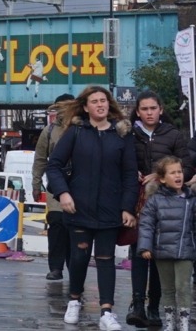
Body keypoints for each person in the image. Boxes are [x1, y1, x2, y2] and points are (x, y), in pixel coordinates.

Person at [47, 85, 138, 331]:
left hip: (110, 209)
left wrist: (127, 207)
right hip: (78, 209)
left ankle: (107, 312)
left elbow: (130, 175)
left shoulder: (122, 135)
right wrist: (63, 193)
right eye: (95, 101)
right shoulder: (76, 132)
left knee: (106, 259)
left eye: (104, 101)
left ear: (109, 105)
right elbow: (53, 165)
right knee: (79, 257)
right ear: (86, 107)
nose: (100, 105)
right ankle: (74, 300)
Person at [128, 91, 190, 327]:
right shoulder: (129, 135)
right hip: (137, 201)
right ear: (138, 111)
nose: (149, 112)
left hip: (166, 204)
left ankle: (154, 306)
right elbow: (120, 160)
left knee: (157, 256)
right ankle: (137, 304)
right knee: (138, 251)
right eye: (144, 109)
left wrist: (161, 174)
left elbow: (186, 165)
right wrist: (130, 171)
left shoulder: (173, 135)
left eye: (153, 108)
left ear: (160, 110)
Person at [137, 156, 196, 331]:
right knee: (167, 288)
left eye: (180, 172)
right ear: (162, 178)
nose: (178, 175)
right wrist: (145, 246)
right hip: (162, 251)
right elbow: (147, 224)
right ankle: (170, 323)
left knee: (183, 287)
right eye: (173, 173)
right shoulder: (155, 200)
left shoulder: (191, 199)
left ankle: (184, 323)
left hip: (185, 251)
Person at [32, 93, 75, 281]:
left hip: (79, 186)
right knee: (57, 225)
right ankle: (56, 267)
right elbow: (40, 159)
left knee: (75, 229)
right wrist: (36, 184)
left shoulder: (82, 127)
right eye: (60, 107)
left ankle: (75, 268)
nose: (62, 111)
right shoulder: (49, 132)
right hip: (56, 187)